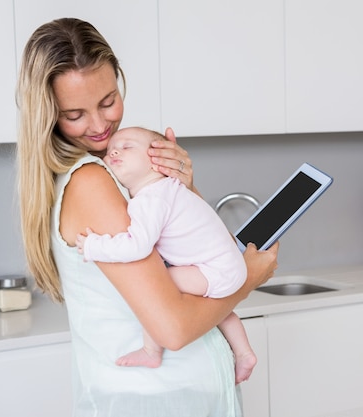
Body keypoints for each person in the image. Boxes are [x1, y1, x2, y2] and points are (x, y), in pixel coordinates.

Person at [16, 17, 279, 417]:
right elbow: (171, 329)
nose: (101, 125)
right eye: (76, 115)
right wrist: (248, 278)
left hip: (168, 393)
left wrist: (182, 189)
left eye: (108, 101)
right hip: (158, 398)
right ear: (48, 114)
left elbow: (190, 257)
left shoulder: (116, 170)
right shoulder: (91, 182)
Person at [75, 127, 257, 383]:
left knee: (158, 287)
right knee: (220, 311)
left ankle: (151, 350)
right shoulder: (169, 189)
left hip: (216, 270)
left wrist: (95, 246)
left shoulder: (151, 199)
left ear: (158, 160)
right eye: (110, 150)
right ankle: (244, 352)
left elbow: (137, 246)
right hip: (227, 267)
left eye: (127, 147)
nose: (114, 151)